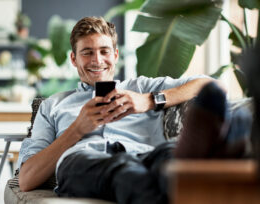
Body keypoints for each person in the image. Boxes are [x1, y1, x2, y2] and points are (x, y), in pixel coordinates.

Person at [16, 16, 248, 204]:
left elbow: (214, 86)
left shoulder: (142, 87)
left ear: (115, 56)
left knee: (166, 155)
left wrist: (150, 100)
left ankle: (187, 160)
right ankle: (203, 160)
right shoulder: (52, 105)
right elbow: (26, 179)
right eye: (87, 52)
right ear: (74, 59)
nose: (97, 60)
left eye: (104, 51)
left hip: (146, 153)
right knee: (124, 172)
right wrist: (76, 130)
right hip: (82, 161)